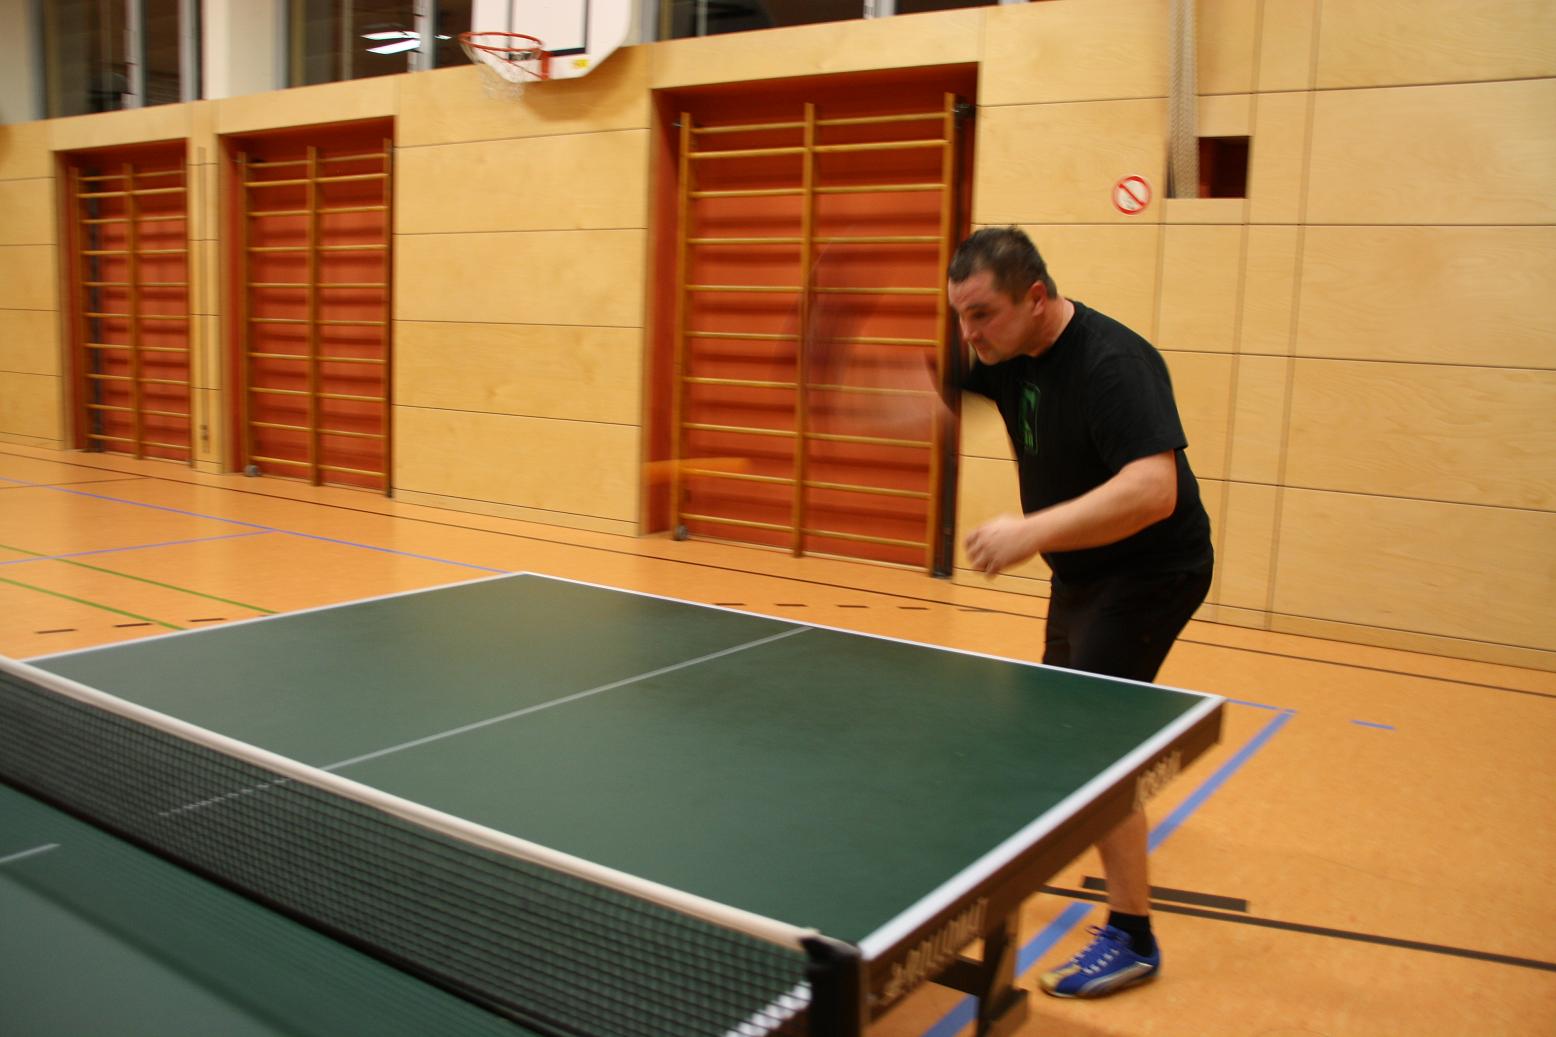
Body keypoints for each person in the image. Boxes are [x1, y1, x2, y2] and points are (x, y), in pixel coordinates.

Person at [946, 226, 1214, 999]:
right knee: (1058, 725)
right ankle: (1063, 827)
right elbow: (925, 400)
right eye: (960, 316)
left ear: (1036, 297)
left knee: (1092, 742)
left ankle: (1132, 935)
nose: (970, 333)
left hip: (1152, 571)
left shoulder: (1113, 363)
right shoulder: (1008, 356)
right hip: (1083, 572)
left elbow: (1152, 489)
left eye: (982, 314)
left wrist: (1031, 531)